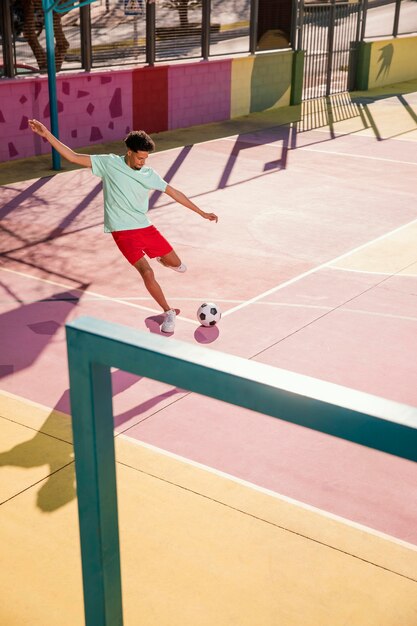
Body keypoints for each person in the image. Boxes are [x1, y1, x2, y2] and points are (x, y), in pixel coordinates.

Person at [28, 120, 218, 333]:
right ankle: (168, 311)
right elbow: (72, 156)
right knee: (146, 272)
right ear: (129, 152)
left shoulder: (148, 174)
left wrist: (201, 212)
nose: (142, 162)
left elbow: (174, 193)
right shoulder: (109, 164)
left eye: (145, 158)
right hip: (122, 233)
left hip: (145, 228)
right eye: (139, 157)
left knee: (179, 266)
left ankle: (162, 259)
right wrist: (47, 135)